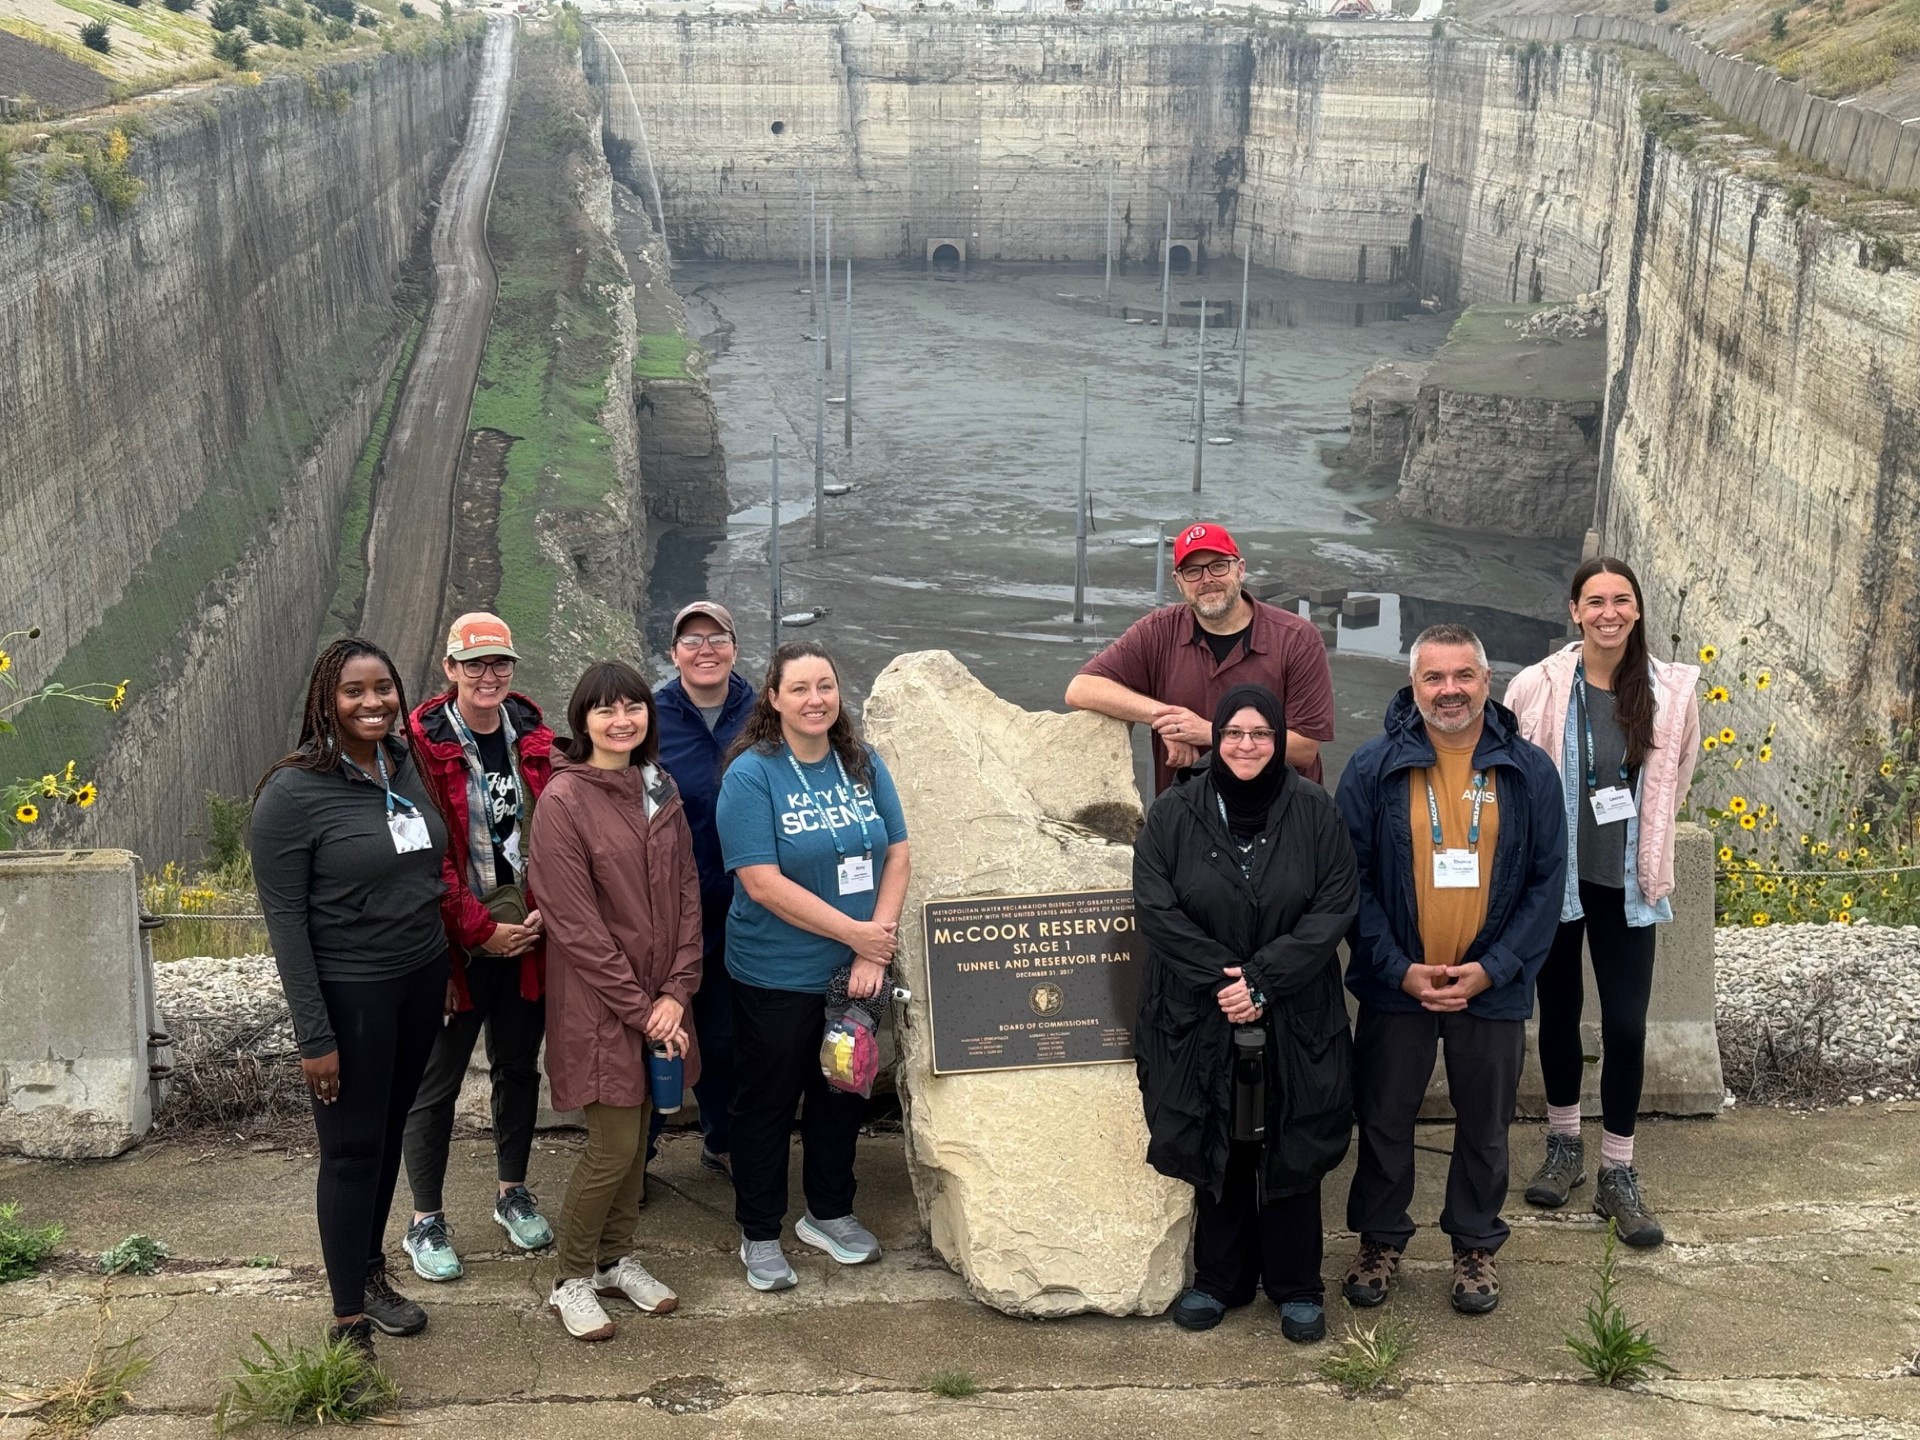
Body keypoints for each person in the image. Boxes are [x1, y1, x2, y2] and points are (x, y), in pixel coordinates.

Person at [1335, 624, 1565, 1316]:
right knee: (1382, 1118)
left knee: (1485, 1124)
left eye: (1463, 675)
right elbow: (1352, 881)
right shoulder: (1374, 768)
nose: (1450, 691)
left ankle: (1474, 1245)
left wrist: (1493, 968)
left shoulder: (1529, 771)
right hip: (1396, 983)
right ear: (1414, 687)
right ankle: (1379, 1241)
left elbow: (1546, 882)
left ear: (1486, 681)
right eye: (1434, 678)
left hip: (1489, 985)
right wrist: (1397, 967)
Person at [1133, 684, 1358, 1341]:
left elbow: (1334, 905)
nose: (1247, 745)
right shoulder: (1174, 813)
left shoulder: (1315, 811)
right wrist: (1223, 980)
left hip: (1295, 1007)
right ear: (1217, 738)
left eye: (1261, 734)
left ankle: (1295, 1285)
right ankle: (1220, 1279)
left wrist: (1263, 979)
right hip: (1202, 1011)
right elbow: (1156, 907)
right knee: (1219, 1136)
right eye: (1235, 733)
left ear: (1280, 739)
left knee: (1292, 1134)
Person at [250, 638, 450, 1361]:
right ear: (324, 702)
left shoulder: (405, 763)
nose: (373, 703)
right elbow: (286, 925)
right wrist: (314, 1038)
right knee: (349, 1150)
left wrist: (446, 967)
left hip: (419, 978)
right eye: (354, 692)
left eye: (384, 688)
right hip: (351, 992)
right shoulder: (291, 793)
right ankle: (346, 1326)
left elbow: (428, 873)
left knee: (389, 1131)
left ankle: (369, 1276)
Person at [1505, 559, 1701, 1247]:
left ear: (1638, 611)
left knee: (1625, 1027)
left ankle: (1618, 1169)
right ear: (1574, 611)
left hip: (1625, 882)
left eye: (1622, 600)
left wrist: (1642, 839)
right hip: (1557, 877)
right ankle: (1564, 1147)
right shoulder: (1537, 684)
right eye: (1596, 601)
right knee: (1558, 1015)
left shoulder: (1669, 691)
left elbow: (1677, 773)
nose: (1609, 612)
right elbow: (1514, 770)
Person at [715, 641, 911, 1293]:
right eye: (799, 688)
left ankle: (829, 1213)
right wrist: (858, 933)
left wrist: (867, 949)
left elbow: (898, 853)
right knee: (767, 1104)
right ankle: (761, 1232)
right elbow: (762, 883)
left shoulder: (861, 762)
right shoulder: (751, 774)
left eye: (824, 685)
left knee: (842, 1095)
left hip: (855, 978)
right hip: (775, 975)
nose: (815, 699)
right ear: (773, 698)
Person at [528, 661, 702, 1341]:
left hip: (659, 998)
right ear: (583, 720)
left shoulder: (660, 786)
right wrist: (644, 1007)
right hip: (602, 1006)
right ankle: (570, 1277)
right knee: (611, 1145)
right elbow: (574, 926)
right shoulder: (565, 801)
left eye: (633, 706)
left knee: (637, 1149)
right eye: (605, 710)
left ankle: (613, 1261)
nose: (622, 720)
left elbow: (688, 894)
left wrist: (677, 990)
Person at [399, 613, 558, 1281]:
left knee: (518, 1068)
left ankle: (510, 1191)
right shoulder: (420, 747)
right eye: (475, 665)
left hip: (528, 936)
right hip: (457, 947)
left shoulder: (534, 739)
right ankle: (425, 1220)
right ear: (450, 669)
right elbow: (422, 852)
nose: (488, 677)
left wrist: (552, 902)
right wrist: (477, 929)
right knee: (435, 1083)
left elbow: (556, 828)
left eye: (499, 665)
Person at [1064, 522, 1334, 794]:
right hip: (1189, 819)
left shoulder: (1297, 639)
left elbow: (1305, 748)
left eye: (1218, 566)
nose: (1207, 579)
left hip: (1280, 819)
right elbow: (1082, 688)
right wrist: (1169, 720)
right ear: (1178, 582)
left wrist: (1208, 732)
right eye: (1192, 571)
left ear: (1240, 569)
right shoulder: (1159, 631)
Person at [649, 601, 756, 1181]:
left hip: (749, 905)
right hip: (668, 909)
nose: (705, 649)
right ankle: (633, 1157)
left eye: (717, 638)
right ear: (674, 654)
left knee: (725, 1035)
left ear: (735, 647)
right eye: (692, 640)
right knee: (653, 1031)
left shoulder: (764, 712)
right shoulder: (651, 716)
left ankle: (723, 1139)